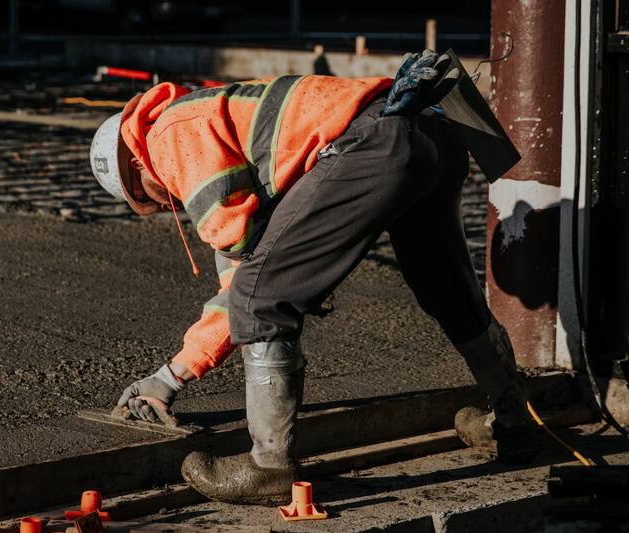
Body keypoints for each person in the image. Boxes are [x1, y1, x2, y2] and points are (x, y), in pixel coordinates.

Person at [89, 50, 538, 505]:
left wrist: (169, 378)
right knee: (448, 289)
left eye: (150, 198)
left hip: (376, 141)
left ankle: (269, 467)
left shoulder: (172, 139)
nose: (167, 206)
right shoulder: (210, 116)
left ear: (137, 166)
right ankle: (513, 421)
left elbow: (247, 284)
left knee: (260, 298)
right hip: (432, 133)